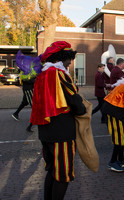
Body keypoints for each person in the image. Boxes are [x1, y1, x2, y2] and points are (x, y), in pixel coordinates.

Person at [30, 41, 86, 200]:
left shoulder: (42, 75)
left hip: (46, 131)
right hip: (62, 132)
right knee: (63, 175)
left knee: (53, 171)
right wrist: (81, 109)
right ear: (61, 58)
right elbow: (73, 99)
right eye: (69, 58)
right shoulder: (59, 74)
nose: (70, 62)